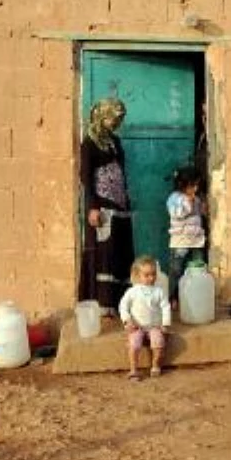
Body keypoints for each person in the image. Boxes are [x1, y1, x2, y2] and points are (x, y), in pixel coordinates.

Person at [79, 97, 135, 317]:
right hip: (102, 207)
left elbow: (120, 171)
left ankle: (120, 304)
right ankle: (103, 305)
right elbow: (85, 176)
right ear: (103, 116)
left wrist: (126, 198)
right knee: (105, 253)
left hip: (120, 205)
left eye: (120, 118)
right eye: (115, 117)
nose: (117, 122)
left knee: (121, 251)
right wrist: (92, 206)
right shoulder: (90, 143)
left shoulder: (115, 141)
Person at [119, 255, 172, 381]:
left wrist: (165, 324)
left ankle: (155, 365)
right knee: (134, 343)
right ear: (137, 276)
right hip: (137, 326)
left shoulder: (159, 291)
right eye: (147, 275)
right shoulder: (132, 292)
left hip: (154, 326)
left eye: (153, 274)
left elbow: (165, 307)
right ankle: (133, 370)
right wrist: (127, 321)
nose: (151, 278)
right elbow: (123, 306)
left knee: (158, 341)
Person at [166, 165, 208, 311]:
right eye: (192, 185)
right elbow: (177, 214)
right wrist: (189, 204)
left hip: (196, 241)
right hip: (180, 242)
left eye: (196, 185)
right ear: (182, 185)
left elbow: (198, 216)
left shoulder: (195, 198)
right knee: (176, 271)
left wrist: (202, 209)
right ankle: (172, 298)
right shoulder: (174, 198)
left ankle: (192, 299)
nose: (195, 189)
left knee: (198, 269)